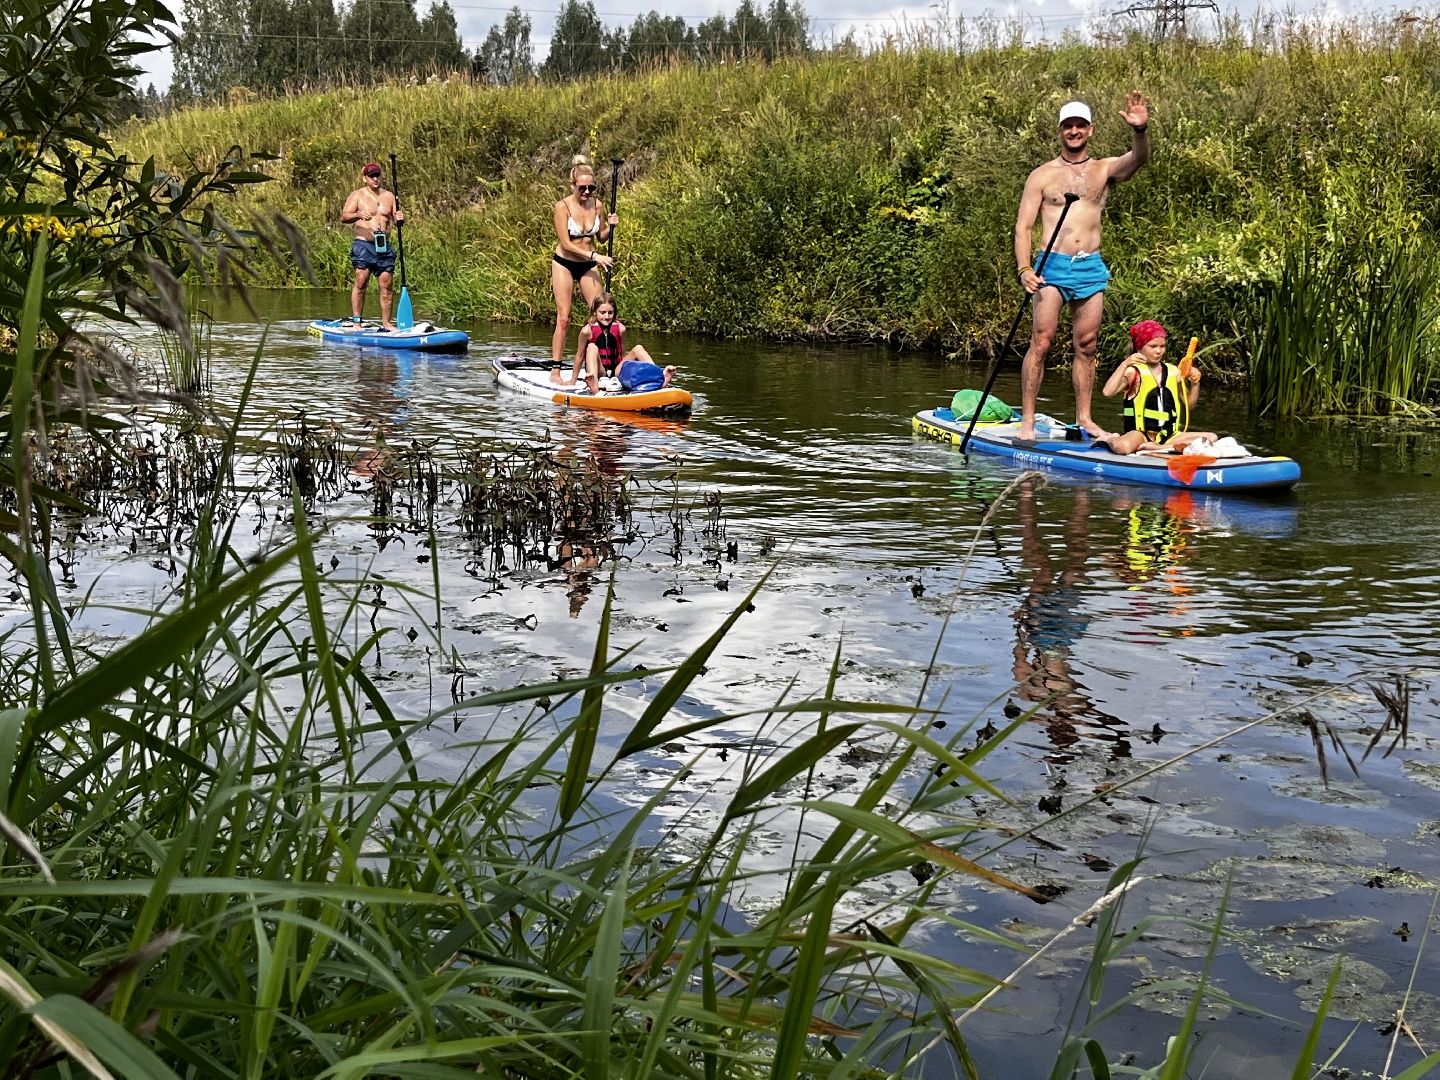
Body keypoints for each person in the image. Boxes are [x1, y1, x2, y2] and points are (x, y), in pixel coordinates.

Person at [1015, 93, 1152, 441]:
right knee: (1042, 341)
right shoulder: (1042, 175)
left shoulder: (1103, 169)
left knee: (1087, 344)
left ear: (1090, 129)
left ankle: (1085, 419)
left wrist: (1140, 130)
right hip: (1051, 266)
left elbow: (1139, 160)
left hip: (1089, 267)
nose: (1073, 131)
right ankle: (1028, 422)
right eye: (1067, 126)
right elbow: (1023, 227)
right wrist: (1024, 269)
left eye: (1080, 125)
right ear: (1060, 131)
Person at [1096, 320, 1217, 454]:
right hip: (1140, 434)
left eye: (1162, 346)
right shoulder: (1133, 372)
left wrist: (1195, 384)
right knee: (1122, 447)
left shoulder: (1173, 372)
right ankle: (1110, 439)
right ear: (1139, 347)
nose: (1158, 351)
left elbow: (1189, 405)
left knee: (1212, 438)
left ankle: (1158, 448)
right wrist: (1125, 364)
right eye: (1153, 346)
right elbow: (1107, 392)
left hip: (1169, 435)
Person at [550, 155, 617, 383]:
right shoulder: (563, 206)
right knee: (564, 317)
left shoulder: (597, 205)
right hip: (565, 263)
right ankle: (556, 370)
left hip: (589, 263)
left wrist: (612, 226)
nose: (587, 192)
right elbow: (567, 244)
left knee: (600, 315)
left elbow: (601, 236)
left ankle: (595, 366)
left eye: (591, 187)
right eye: (582, 188)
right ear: (573, 186)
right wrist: (595, 256)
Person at [340, 162, 405, 330]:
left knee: (387, 285)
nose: (375, 179)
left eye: (377, 175)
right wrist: (358, 214)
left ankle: (387, 323)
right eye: (372, 176)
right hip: (363, 244)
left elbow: (396, 218)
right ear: (365, 178)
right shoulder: (357, 195)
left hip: (383, 246)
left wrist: (400, 218)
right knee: (361, 281)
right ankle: (356, 321)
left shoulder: (389, 196)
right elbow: (344, 217)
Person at [571, 293, 675, 395]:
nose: (606, 316)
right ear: (595, 312)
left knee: (638, 348)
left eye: (610, 313)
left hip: (616, 370)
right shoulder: (586, 331)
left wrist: (629, 370)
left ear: (614, 313)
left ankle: (658, 376)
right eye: (602, 312)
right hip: (599, 371)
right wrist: (573, 381)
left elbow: (623, 353)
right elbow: (579, 356)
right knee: (591, 347)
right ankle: (594, 384)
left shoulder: (621, 329)